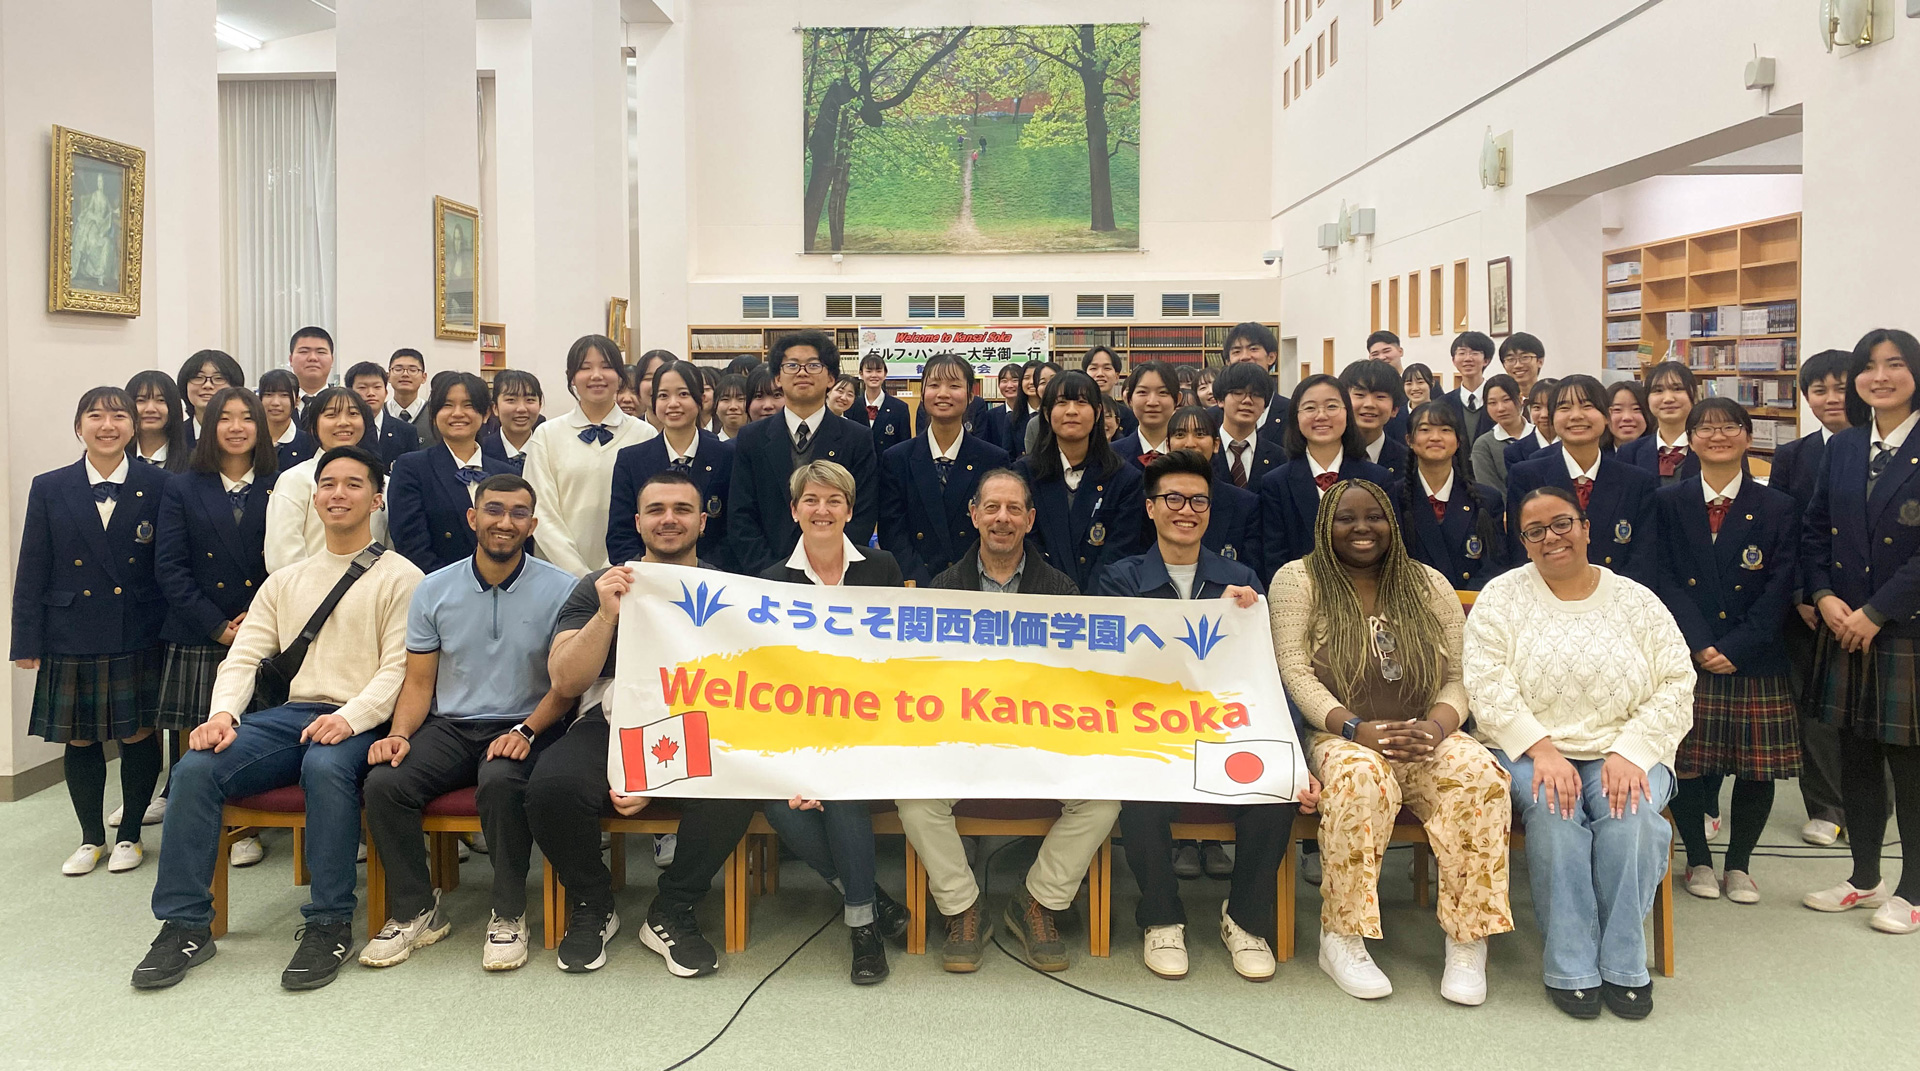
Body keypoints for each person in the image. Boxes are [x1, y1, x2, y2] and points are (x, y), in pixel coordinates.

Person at [133, 445, 425, 991]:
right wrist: (222, 715)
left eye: (353, 484)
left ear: (377, 498)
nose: (339, 493)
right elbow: (244, 655)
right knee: (195, 767)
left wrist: (352, 717)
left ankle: (329, 923)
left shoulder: (402, 577)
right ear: (314, 498)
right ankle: (184, 925)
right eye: (328, 484)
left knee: (325, 767)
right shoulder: (287, 579)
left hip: (363, 721)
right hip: (291, 716)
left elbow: (398, 670)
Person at [1271, 478, 1510, 1004]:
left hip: (1425, 730)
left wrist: (1438, 727)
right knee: (1361, 779)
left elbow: (1461, 673)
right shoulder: (1298, 580)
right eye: (1346, 518)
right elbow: (1293, 670)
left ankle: (1469, 940)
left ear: (1393, 524)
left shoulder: (1428, 583)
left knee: (1479, 774)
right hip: (1339, 735)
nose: (1362, 528)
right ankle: (1343, 936)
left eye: (1374, 516)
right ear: (1324, 525)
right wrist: (1357, 728)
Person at [1465, 487, 1692, 1019]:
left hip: (1627, 749)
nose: (1552, 538)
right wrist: (1541, 749)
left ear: (1587, 527)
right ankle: (1571, 966)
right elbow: (1485, 683)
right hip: (1530, 750)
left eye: (1562, 523)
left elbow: (1678, 682)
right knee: (1556, 811)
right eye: (1535, 531)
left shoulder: (1637, 600)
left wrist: (1633, 752)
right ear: (1523, 543)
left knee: (1630, 815)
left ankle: (1623, 963)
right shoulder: (1502, 597)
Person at [1095, 450, 1314, 982]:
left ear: (1211, 510)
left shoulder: (1240, 580)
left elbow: (1267, 677)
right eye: (1172, 498)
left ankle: (1244, 919)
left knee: (1274, 784)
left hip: (1225, 732)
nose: (1185, 510)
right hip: (1150, 731)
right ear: (1150, 508)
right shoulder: (1118, 580)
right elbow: (1106, 675)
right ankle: (1162, 917)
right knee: (1139, 781)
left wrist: (1298, 759)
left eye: (1198, 500)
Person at [529, 471, 758, 977]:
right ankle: (592, 901)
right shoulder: (598, 586)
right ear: (638, 522)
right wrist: (607, 616)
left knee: (739, 786)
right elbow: (565, 680)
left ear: (702, 521)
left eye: (681, 509)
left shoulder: (730, 591)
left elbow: (743, 688)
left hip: (700, 725)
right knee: (550, 787)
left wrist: (652, 775)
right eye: (656, 510)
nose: (669, 519)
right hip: (608, 721)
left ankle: (673, 908)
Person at [359, 474, 577, 972]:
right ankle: (415, 909)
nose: (505, 522)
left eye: (518, 513)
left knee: (501, 782)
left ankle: (508, 912)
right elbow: (418, 683)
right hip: (453, 724)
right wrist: (398, 734)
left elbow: (566, 686)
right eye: (494, 510)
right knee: (384, 784)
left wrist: (526, 731)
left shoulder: (562, 588)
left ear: (532, 524)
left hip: (530, 723)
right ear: (472, 519)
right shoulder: (433, 589)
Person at [903, 476, 1112, 975]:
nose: (1003, 518)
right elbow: (926, 675)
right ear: (973, 514)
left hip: (1041, 740)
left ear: (1030, 520)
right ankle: (962, 907)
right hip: (961, 739)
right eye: (991, 507)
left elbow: (1078, 679)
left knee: (1104, 800)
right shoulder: (942, 589)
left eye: (1014, 509)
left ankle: (1037, 902)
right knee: (914, 799)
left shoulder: (1061, 589)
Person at [757, 461, 909, 983]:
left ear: (849, 509)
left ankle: (861, 929)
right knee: (779, 805)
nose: (822, 510)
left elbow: (899, 658)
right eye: (811, 500)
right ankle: (872, 900)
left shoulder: (882, 566)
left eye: (834, 500)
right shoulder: (773, 582)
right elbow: (769, 680)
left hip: (871, 727)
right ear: (795, 510)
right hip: (798, 733)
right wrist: (800, 758)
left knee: (841, 788)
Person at [12, 387, 169, 876]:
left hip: (138, 625)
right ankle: (90, 838)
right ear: (78, 426)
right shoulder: (50, 485)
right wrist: (26, 639)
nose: (108, 424)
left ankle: (130, 836)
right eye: (95, 415)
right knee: (79, 739)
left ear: (133, 425)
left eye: (118, 415)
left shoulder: (159, 483)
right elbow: (33, 565)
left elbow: (169, 564)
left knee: (139, 733)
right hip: (70, 627)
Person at [1651, 398, 1799, 905]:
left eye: (1729, 426)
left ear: (1747, 435)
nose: (1718, 435)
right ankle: (1697, 858)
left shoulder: (1778, 505)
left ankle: (1740, 864)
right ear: (1689, 439)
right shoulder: (1667, 501)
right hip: (1691, 653)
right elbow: (1661, 575)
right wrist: (1699, 643)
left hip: (1755, 653)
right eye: (1705, 428)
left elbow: (1782, 583)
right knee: (1690, 762)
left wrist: (1736, 645)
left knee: (1757, 768)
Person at [1800, 327, 1920, 935]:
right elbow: (1816, 528)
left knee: (1911, 764)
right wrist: (1823, 596)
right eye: (1868, 367)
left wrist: (1875, 612)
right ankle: (1865, 876)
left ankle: (1916, 889)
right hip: (1843, 623)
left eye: (1894, 365)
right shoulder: (1845, 447)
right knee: (1856, 757)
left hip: (1904, 629)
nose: (1880, 377)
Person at [154, 388, 277, 865]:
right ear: (208, 427)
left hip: (263, 626)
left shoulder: (279, 482)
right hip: (200, 630)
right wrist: (217, 626)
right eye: (224, 418)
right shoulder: (182, 486)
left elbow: (290, 559)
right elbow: (170, 567)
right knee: (199, 737)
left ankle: (247, 826)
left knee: (255, 732)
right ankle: (199, 830)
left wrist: (259, 618)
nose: (236, 427)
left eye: (248, 418)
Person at [1768, 349, 1855, 846]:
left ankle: (1872, 804)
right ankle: (1824, 806)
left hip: (1872, 605)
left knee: (1866, 715)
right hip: (1807, 606)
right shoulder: (1792, 455)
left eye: (1840, 387)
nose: (1830, 398)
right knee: (1814, 710)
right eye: (1818, 390)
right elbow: (1788, 530)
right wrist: (1805, 593)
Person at [727, 330, 877, 576]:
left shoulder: (857, 438)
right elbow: (741, 515)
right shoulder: (752, 438)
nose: (802, 372)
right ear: (777, 377)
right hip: (766, 578)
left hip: (835, 576)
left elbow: (862, 513)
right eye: (792, 365)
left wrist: (828, 569)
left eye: (814, 365)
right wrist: (772, 573)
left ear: (831, 378)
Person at [521, 335, 657, 577]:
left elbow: (649, 508)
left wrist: (613, 569)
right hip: (558, 575)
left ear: (620, 376)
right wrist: (579, 574)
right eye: (585, 368)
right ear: (572, 377)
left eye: (606, 367)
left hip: (628, 573)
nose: (596, 375)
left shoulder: (643, 434)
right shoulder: (547, 435)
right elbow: (541, 512)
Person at [1504, 375, 1659, 584]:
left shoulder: (1638, 482)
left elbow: (1644, 560)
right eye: (1564, 408)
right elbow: (1520, 552)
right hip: (1546, 598)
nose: (1576, 416)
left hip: (1617, 601)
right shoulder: (1526, 476)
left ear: (1606, 416)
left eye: (1587, 406)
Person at [877, 354, 1009, 586]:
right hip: (915, 585)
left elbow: (997, 528)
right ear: (923, 394)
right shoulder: (897, 458)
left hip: (975, 582)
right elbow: (892, 530)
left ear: (970, 395)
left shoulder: (994, 460)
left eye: (954, 385)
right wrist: (918, 579)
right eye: (934, 385)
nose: (943, 393)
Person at [1013, 370, 1145, 591]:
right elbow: (1027, 544)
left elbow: (1120, 551)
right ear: (1046, 413)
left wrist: (1087, 601)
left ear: (1097, 411)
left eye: (1082, 402)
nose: (1072, 411)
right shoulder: (1024, 474)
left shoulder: (1124, 478)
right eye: (1062, 403)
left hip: (1103, 599)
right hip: (1038, 597)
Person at [1257, 374, 1393, 581]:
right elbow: (1274, 555)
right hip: (1301, 595)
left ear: (1347, 413)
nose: (1321, 416)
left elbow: (1390, 549)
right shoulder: (1276, 483)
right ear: (1296, 417)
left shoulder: (1377, 479)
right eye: (1310, 408)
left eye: (1331, 407)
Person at [608, 360, 734, 568]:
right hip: (647, 581)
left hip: (713, 580)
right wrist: (647, 572)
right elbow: (620, 534)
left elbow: (735, 530)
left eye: (683, 394)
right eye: (664, 396)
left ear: (701, 399)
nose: (673, 403)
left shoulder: (727, 456)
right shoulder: (631, 460)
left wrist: (701, 571)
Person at [387, 372, 517, 574]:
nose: (457, 413)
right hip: (439, 589)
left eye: (468, 405)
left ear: (485, 414)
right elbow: (411, 544)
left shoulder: (506, 473)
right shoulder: (412, 468)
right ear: (434, 414)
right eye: (447, 405)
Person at [266, 388, 389, 572]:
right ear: (314, 425)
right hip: (312, 594)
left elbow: (388, 548)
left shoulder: (383, 482)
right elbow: (282, 558)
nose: (344, 422)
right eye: (331, 415)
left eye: (353, 414)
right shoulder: (295, 479)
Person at [1400, 401, 1507, 590]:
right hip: (1414, 606)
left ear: (1458, 441)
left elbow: (1495, 564)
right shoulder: (1394, 497)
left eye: (1445, 430)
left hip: (1471, 606)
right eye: (1425, 430)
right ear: (1409, 440)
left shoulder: (1487, 499)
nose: (1435, 437)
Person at [1164, 406, 1260, 570]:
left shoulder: (1245, 504)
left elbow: (1251, 570)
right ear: (1168, 445)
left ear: (1216, 444)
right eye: (1180, 435)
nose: (1190, 443)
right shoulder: (1152, 498)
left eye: (1200, 434)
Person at [1211, 362, 1288, 491]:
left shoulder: (1280, 458)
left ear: (1265, 405)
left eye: (1256, 394)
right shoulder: (1203, 451)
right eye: (1238, 392)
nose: (1247, 400)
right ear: (1220, 400)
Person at [1618, 362, 1699, 483]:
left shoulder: (1708, 447)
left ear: (1695, 395)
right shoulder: (1629, 453)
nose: (1668, 399)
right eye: (1658, 390)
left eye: (1677, 389)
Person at [1341, 360, 1410, 481]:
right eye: (1360, 395)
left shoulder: (1408, 461)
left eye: (1380, 397)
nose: (1369, 404)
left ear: (1395, 409)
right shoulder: (1328, 456)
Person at [344, 361, 422, 465]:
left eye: (377, 387)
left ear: (385, 392)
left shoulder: (406, 431)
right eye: (362, 388)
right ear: (349, 392)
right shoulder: (343, 429)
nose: (371, 393)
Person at [1222, 322, 1292, 430]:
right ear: (1228, 362)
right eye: (1236, 351)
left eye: (1253, 349)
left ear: (1271, 357)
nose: (1245, 357)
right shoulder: (1213, 417)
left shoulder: (1291, 412)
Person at [1112, 360, 1179, 467]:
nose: (1152, 402)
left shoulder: (1188, 452)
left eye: (1162, 392)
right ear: (1129, 399)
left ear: (1177, 399)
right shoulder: (1111, 455)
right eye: (1142, 392)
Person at [1470, 373, 1528, 491]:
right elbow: (1490, 489)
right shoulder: (1484, 444)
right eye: (1492, 403)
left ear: (1521, 399)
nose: (1500, 408)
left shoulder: (1539, 435)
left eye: (1506, 400)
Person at [175, 349, 245, 446]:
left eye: (218, 378)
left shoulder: (246, 434)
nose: (207, 385)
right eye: (198, 378)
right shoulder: (173, 437)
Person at [127, 370, 192, 474]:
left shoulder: (193, 460)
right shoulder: (117, 458)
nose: (150, 409)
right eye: (141, 400)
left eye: (161, 400)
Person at [482, 369, 545, 474]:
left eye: (530, 400)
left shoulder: (551, 450)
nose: (521, 409)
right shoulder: (481, 450)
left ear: (540, 405)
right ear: (495, 408)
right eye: (511, 400)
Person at [848, 353, 910, 455]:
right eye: (869, 371)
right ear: (861, 374)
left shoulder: (900, 408)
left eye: (878, 371)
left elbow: (904, 446)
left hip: (888, 468)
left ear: (885, 374)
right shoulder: (851, 406)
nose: (874, 375)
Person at [1441, 331, 1496, 441]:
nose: (1468, 358)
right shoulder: (1443, 404)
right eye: (1462, 353)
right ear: (1454, 360)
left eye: (1474, 353)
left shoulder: (1498, 401)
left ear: (1486, 360)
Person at [259, 369, 317, 471]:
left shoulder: (310, 444)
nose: (275, 402)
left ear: (297, 401)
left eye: (284, 395)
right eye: (268, 394)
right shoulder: (249, 440)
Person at [1504, 377, 1560, 471]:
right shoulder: (1514, 452)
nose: (1544, 415)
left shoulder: (1578, 444)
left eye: (1551, 407)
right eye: (1537, 408)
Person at [1083, 346, 1137, 436]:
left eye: (1107, 368)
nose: (1100, 374)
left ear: (1117, 377)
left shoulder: (1129, 416)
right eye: (1093, 368)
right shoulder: (1078, 412)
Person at [387, 349, 433, 445]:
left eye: (413, 370)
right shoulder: (379, 412)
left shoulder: (434, 413)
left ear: (423, 377)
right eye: (398, 369)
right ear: (388, 376)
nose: (405, 374)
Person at [288, 326, 336, 417]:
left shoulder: (349, 403)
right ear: (291, 360)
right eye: (304, 352)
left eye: (321, 352)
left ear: (332, 360)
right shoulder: (275, 404)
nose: (313, 358)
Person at [1019, 361, 1064, 457]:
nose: (1049, 385)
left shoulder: (1075, 415)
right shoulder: (1034, 424)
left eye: (1053, 379)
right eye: (1042, 382)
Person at [1498, 332, 1545, 400]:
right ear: (1504, 365)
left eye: (1525, 357)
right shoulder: (1501, 404)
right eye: (1511, 359)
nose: (1518, 365)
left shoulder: (1553, 399)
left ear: (1540, 361)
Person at [1606, 380, 1650, 447]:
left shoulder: (1662, 454)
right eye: (1617, 409)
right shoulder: (1595, 455)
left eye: (1636, 409)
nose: (1627, 417)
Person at [711, 372, 750, 442]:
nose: (733, 407)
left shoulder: (762, 445)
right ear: (715, 405)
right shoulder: (708, 447)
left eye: (741, 399)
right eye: (725, 399)